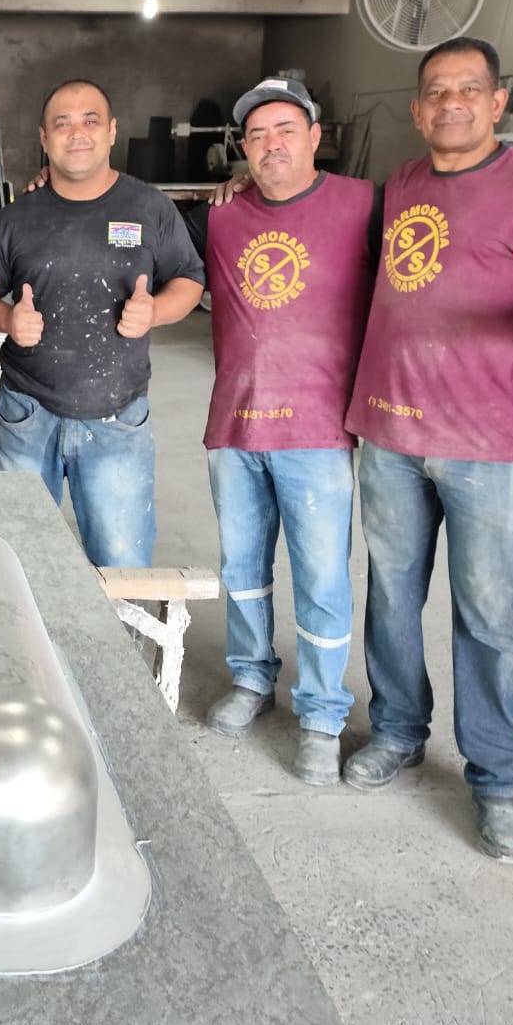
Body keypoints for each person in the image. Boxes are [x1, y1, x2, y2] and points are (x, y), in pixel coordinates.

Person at [341, 37, 513, 862]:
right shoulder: (398, 185)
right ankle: (398, 729)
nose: (451, 102)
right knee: (392, 597)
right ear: (417, 106)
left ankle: (497, 776)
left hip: (488, 445)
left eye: (468, 89)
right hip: (391, 431)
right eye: (435, 90)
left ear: (497, 102)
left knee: (490, 613)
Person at [184, 77, 379, 785]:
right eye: (257, 134)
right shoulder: (220, 216)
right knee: (242, 569)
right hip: (234, 425)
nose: (271, 145)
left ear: (315, 137)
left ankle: (322, 715)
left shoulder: (364, 204)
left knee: (322, 578)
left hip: (319, 430)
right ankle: (251, 678)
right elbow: (147, 248)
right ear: (243, 147)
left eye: (285, 130)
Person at [0, 79, 203, 568]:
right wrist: (7, 318)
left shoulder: (150, 208)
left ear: (111, 131)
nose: (77, 133)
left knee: (121, 566)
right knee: (16, 560)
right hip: (26, 413)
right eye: (62, 123)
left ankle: (116, 626)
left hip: (118, 415)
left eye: (90, 120)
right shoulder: (17, 217)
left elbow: (189, 278)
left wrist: (155, 311)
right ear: (44, 138)